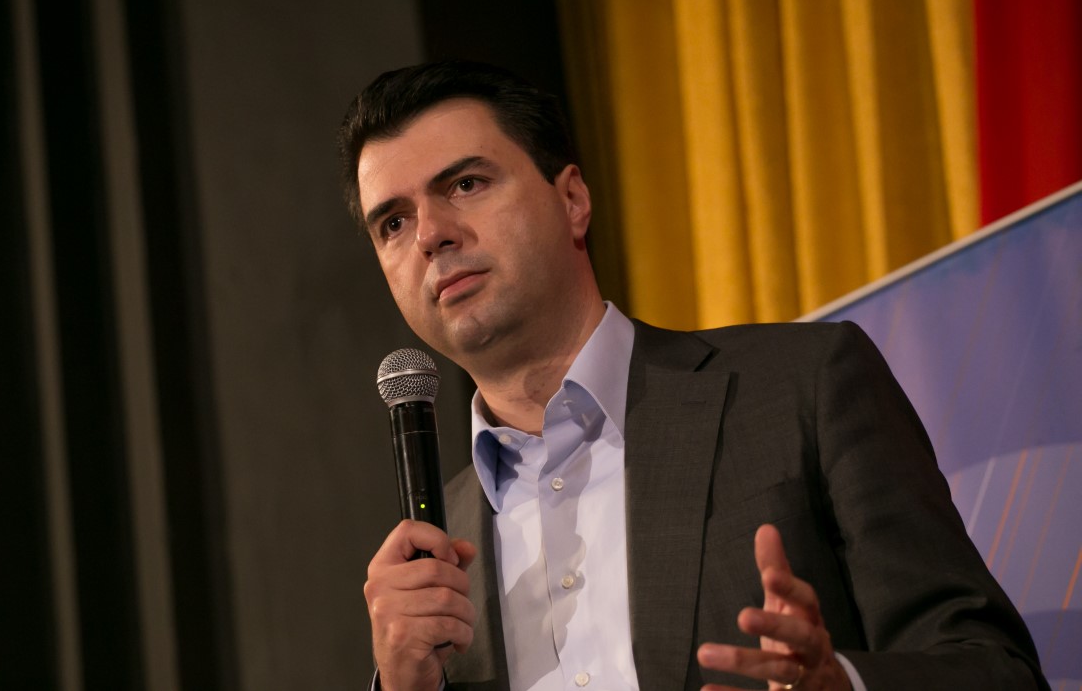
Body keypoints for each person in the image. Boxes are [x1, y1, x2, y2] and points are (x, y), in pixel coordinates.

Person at [339, 60, 1046, 691]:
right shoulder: (433, 557)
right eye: (392, 223)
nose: (430, 234)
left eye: (465, 184)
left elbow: (995, 669)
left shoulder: (804, 387)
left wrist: (846, 686)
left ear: (573, 200)